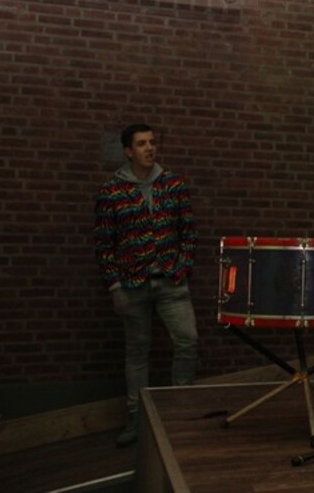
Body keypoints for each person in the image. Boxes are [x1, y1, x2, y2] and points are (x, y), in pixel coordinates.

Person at [94, 123, 198, 447]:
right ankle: (136, 419)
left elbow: (188, 232)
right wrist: (114, 286)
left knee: (188, 340)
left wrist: (181, 268)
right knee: (137, 353)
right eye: (141, 144)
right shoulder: (112, 191)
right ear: (128, 151)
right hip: (132, 284)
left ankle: (180, 412)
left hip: (170, 282)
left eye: (152, 142)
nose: (149, 148)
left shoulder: (173, 184)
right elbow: (104, 244)